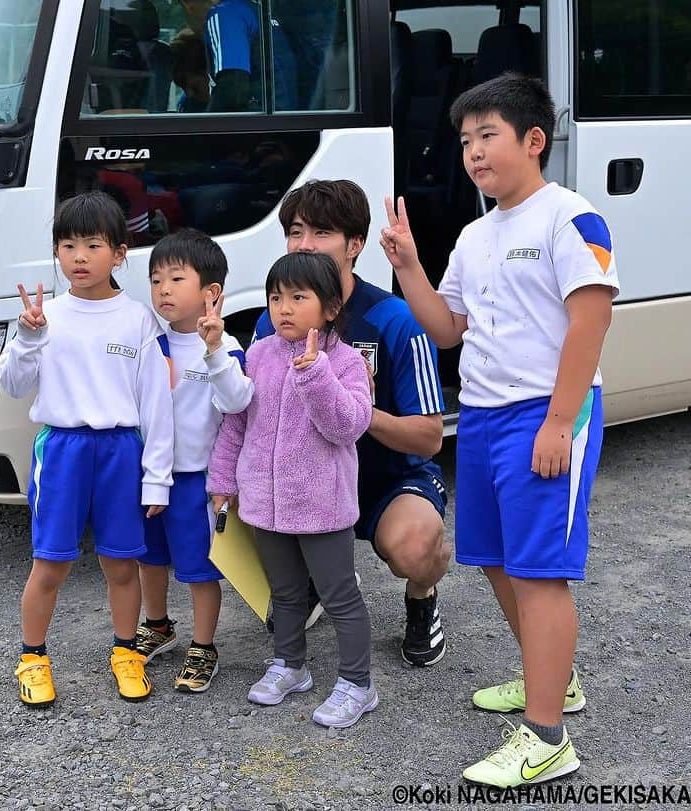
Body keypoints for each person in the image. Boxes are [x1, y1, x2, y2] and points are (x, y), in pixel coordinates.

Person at [380, 73, 617, 786]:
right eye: (465, 141)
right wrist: (410, 266)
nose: (474, 152)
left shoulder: (571, 217)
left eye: (488, 135)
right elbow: (448, 328)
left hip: (547, 413)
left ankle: (548, 738)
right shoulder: (476, 234)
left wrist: (556, 421)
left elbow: (591, 321)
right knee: (494, 557)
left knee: (542, 570)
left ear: (533, 140)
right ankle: (555, 680)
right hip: (481, 416)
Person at [253, 180, 451, 667]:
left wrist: (352, 410)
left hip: (387, 480)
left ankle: (422, 596)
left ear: (355, 245)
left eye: (322, 232)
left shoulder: (395, 319)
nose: (304, 244)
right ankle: (318, 583)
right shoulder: (271, 323)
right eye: (295, 231)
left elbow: (428, 438)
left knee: (412, 547)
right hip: (308, 482)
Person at [0, 191, 174, 708]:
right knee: (50, 562)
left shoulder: (138, 319)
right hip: (63, 451)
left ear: (119, 254)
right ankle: (32, 658)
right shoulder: (43, 316)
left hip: (122, 450)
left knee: (122, 563)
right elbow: (12, 385)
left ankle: (126, 652)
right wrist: (29, 338)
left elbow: (156, 403)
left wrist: (157, 475)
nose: (78, 256)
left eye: (92, 245)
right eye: (68, 245)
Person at [209, 252, 376, 728]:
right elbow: (236, 424)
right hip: (265, 504)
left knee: (339, 594)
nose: (283, 308)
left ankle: (357, 684)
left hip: (322, 506)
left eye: (298, 298)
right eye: (276, 298)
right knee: (283, 594)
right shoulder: (258, 355)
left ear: (330, 307)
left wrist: (314, 373)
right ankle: (290, 664)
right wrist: (222, 482)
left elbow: (347, 426)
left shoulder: (345, 361)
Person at [134, 229, 253, 692]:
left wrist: (215, 350)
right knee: (150, 558)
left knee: (199, 569)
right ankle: (158, 624)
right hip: (150, 476)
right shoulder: (149, 343)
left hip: (196, 482)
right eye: (156, 279)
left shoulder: (225, 350)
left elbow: (238, 402)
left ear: (211, 294)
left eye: (176, 278)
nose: (163, 288)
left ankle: (204, 647)